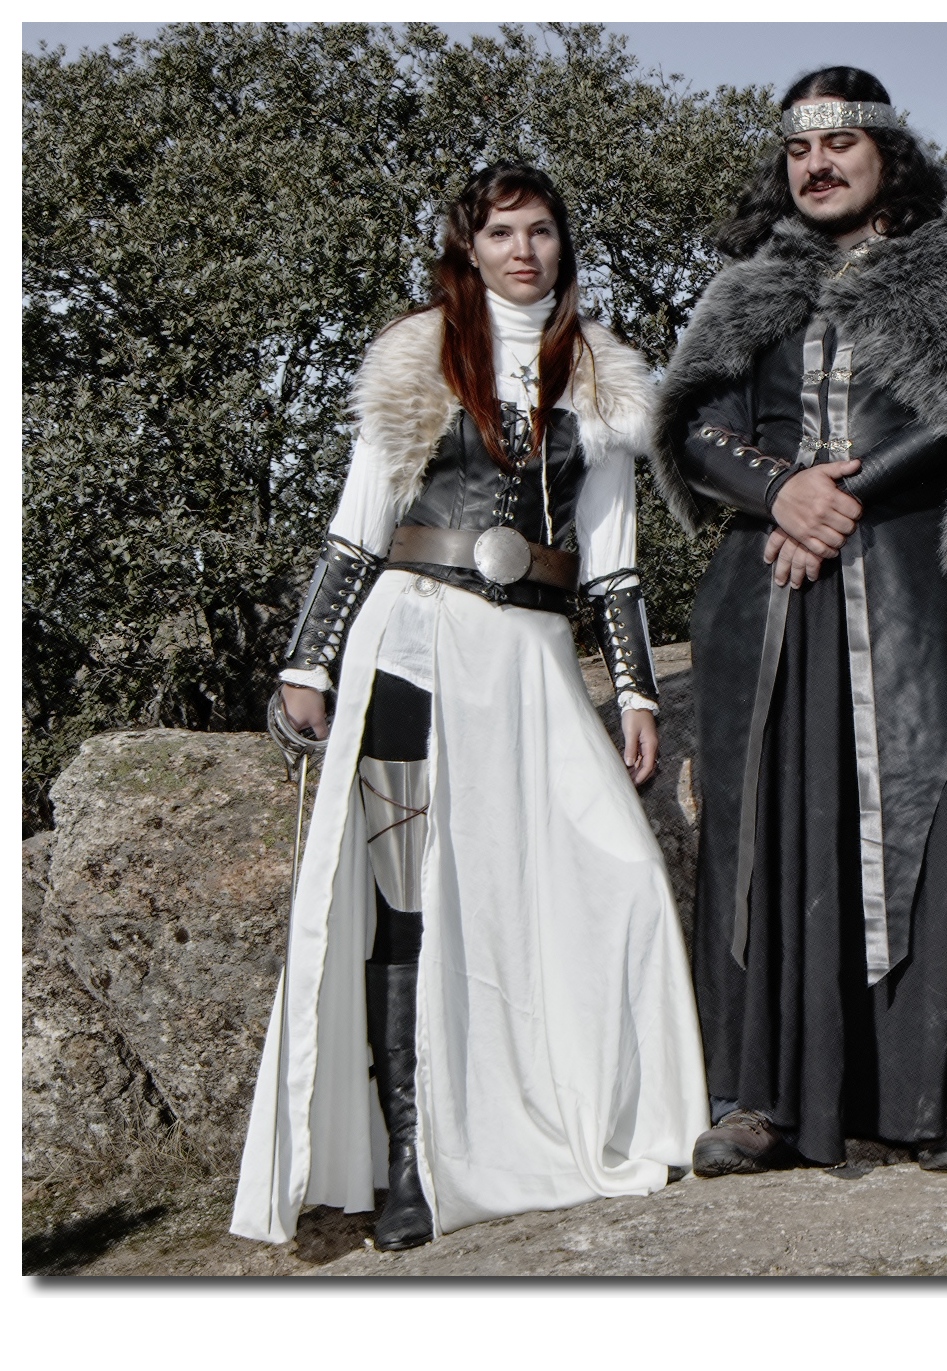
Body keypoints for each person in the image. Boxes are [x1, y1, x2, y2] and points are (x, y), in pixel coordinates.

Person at [230, 163, 709, 1250]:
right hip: (414, 641)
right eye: (501, 232)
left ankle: (597, 1116)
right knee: (407, 898)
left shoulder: (601, 380)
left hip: (534, 654)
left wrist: (633, 687)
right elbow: (360, 522)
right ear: (467, 247)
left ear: (563, 246)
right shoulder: (415, 358)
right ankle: (410, 1164)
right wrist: (308, 664)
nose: (523, 250)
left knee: (622, 876)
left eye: (541, 230)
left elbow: (612, 561)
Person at [650, 67, 947, 1175]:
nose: (816, 163)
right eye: (797, 148)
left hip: (915, 593)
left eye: (839, 142)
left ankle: (942, 1098)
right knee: (766, 836)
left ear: (887, 153)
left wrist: (842, 493)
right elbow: (690, 425)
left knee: (921, 821)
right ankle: (762, 1101)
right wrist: (780, 491)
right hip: (768, 597)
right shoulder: (749, 287)